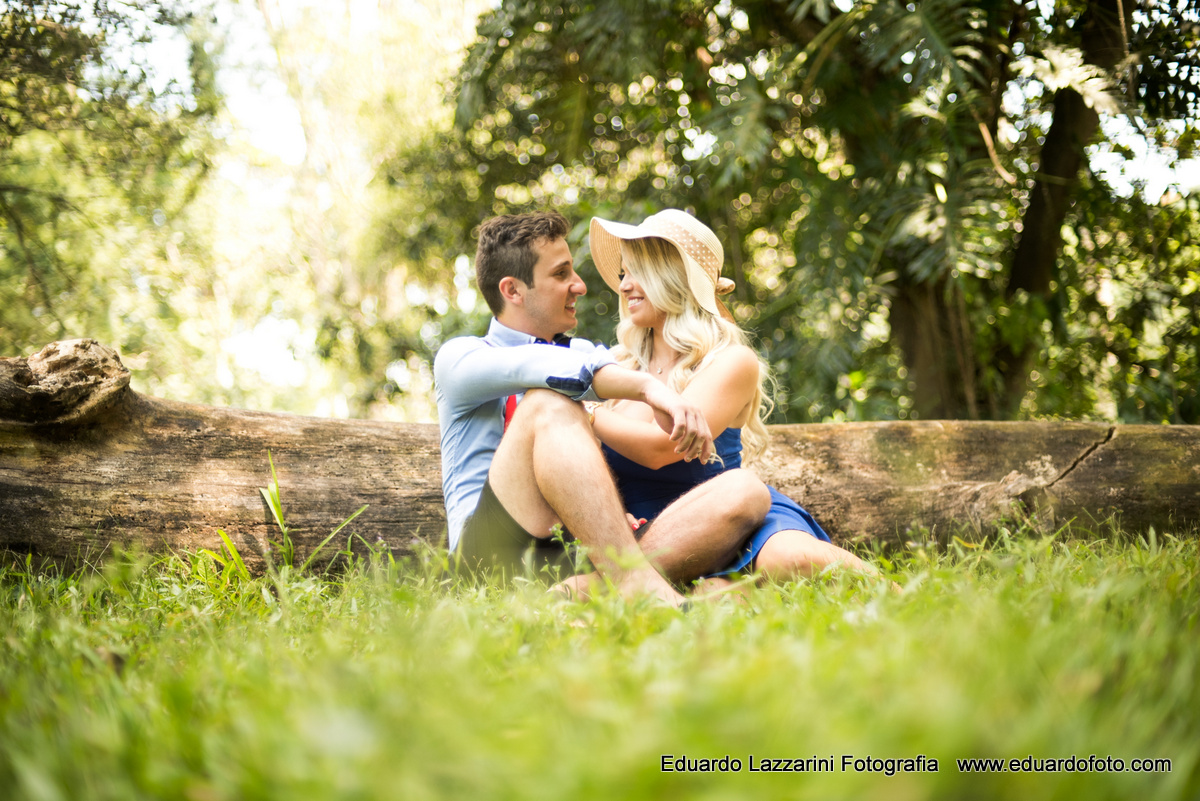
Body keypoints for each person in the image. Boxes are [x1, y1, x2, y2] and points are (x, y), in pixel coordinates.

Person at [433, 211, 771, 605]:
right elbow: (534, 368)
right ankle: (637, 585)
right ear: (512, 290)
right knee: (548, 402)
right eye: (561, 275)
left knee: (744, 489)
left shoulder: (590, 355)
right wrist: (648, 388)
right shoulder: (462, 358)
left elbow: (591, 440)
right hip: (492, 554)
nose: (580, 285)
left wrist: (601, 509)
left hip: (575, 555)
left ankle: (593, 593)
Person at [583, 208, 874, 586]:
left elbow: (661, 450)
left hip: (729, 515)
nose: (623, 286)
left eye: (637, 272)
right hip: (648, 530)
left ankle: (903, 597)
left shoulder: (731, 361)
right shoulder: (616, 365)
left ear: (675, 278)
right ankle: (717, 588)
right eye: (624, 273)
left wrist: (586, 414)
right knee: (711, 588)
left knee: (790, 558)